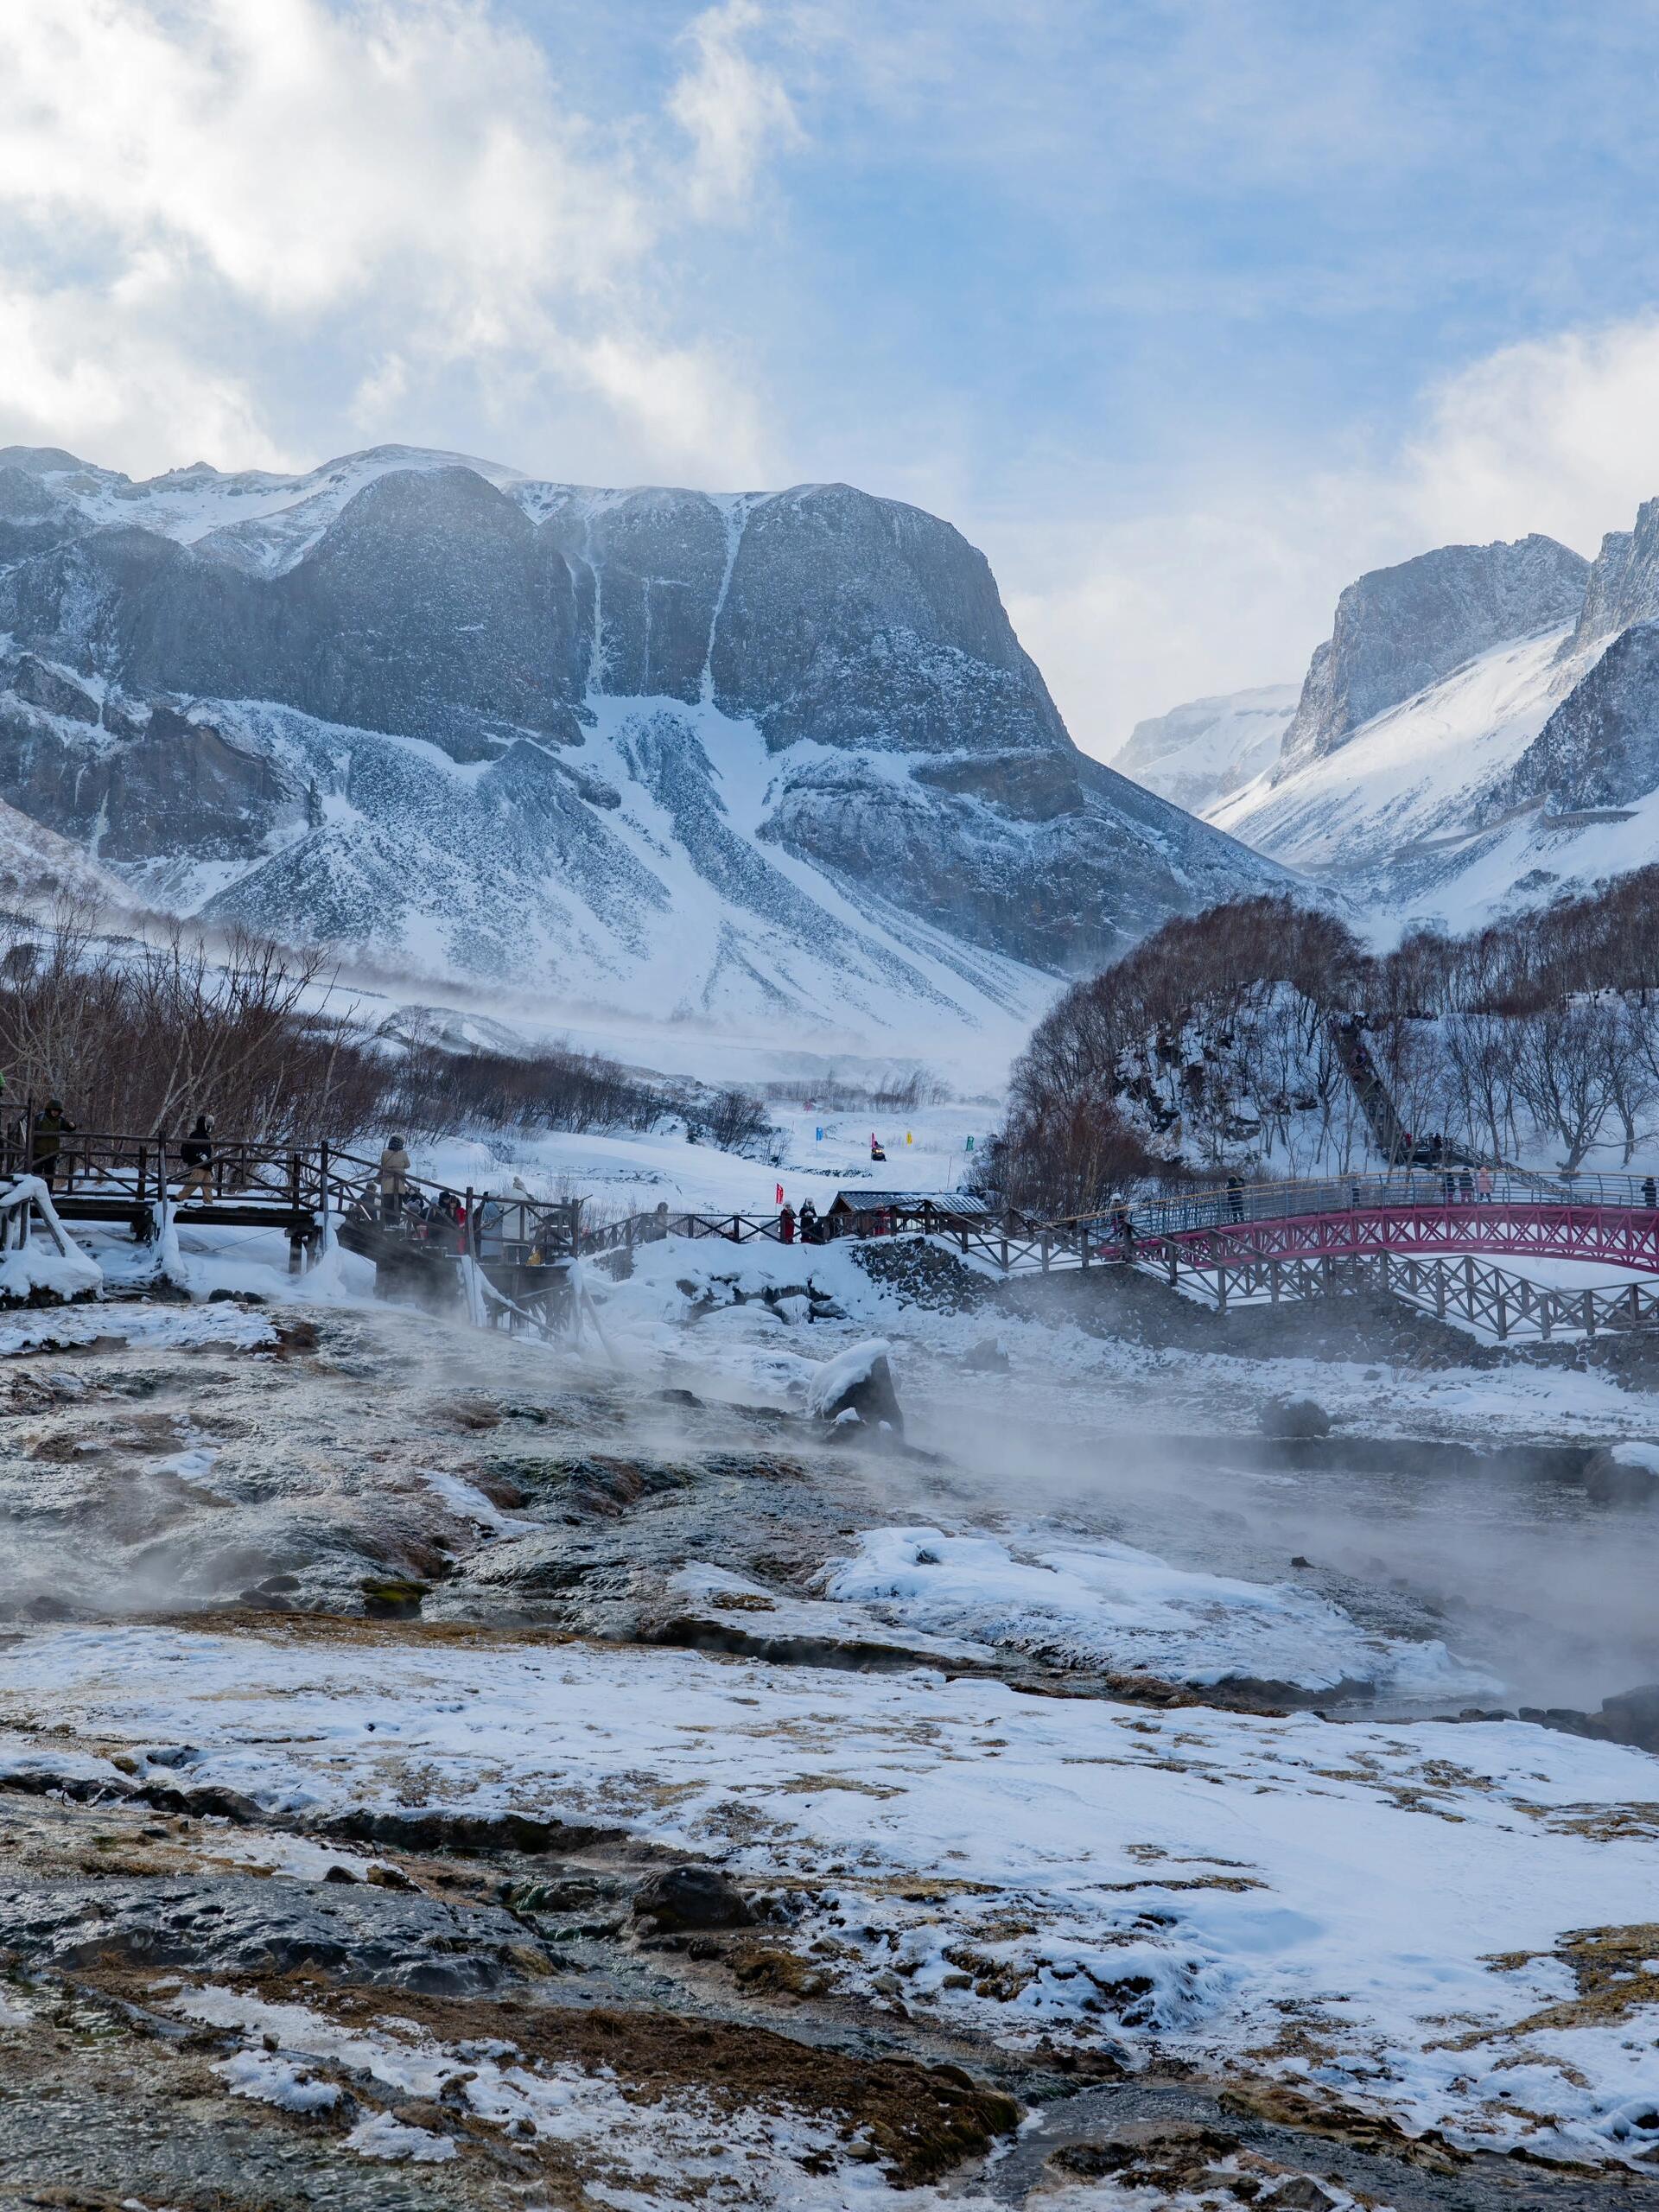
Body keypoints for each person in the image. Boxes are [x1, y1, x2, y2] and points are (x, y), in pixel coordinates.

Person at [32, 1098, 75, 1193]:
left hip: (52, 1152)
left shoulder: (60, 1120)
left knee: (50, 1174)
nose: (55, 1113)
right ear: (49, 1109)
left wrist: (73, 1126)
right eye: (54, 1110)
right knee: (36, 1174)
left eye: (57, 1111)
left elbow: (69, 1128)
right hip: (38, 1150)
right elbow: (31, 1130)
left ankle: (48, 1193)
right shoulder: (40, 1118)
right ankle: (35, 1193)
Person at [177, 1114, 214, 1205]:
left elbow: (208, 1151)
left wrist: (210, 1162)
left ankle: (209, 1203)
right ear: (203, 1124)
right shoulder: (195, 1134)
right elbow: (194, 1148)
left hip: (207, 1166)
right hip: (199, 1165)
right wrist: (202, 1156)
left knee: (208, 1187)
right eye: (208, 1125)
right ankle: (178, 1199)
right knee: (193, 1183)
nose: (209, 1127)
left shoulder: (206, 1136)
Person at [378, 1134, 411, 1224]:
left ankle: (384, 1223)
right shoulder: (403, 1153)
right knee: (397, 1206)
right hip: (399, 1184)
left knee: (386, 1205)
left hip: (386, 1183)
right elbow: (408, 1165)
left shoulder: (384, 1152)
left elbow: (383, 1164)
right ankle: (395, 1224)